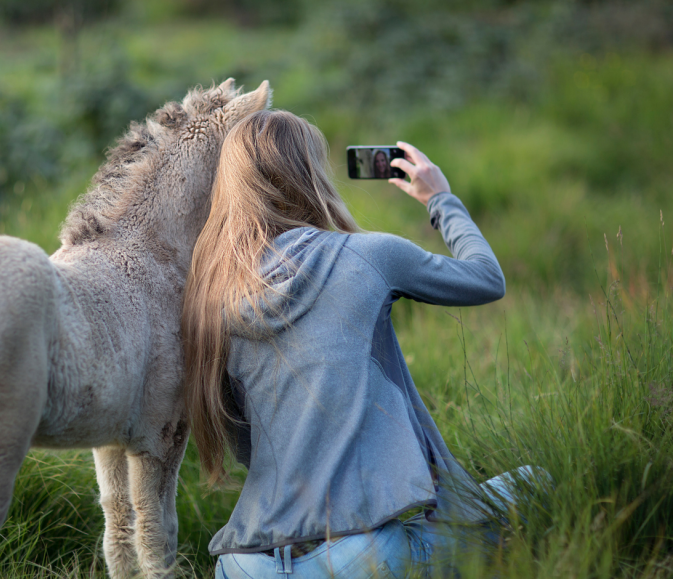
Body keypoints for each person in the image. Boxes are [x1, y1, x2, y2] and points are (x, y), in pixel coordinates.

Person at [181, 110, 543, 578]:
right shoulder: (370, 255)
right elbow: (486, 279)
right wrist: (441, 198)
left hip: (243, 565)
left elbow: (246, 446)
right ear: (310, 174)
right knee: (535, 482)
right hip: (355, 559)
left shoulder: (212, 297)